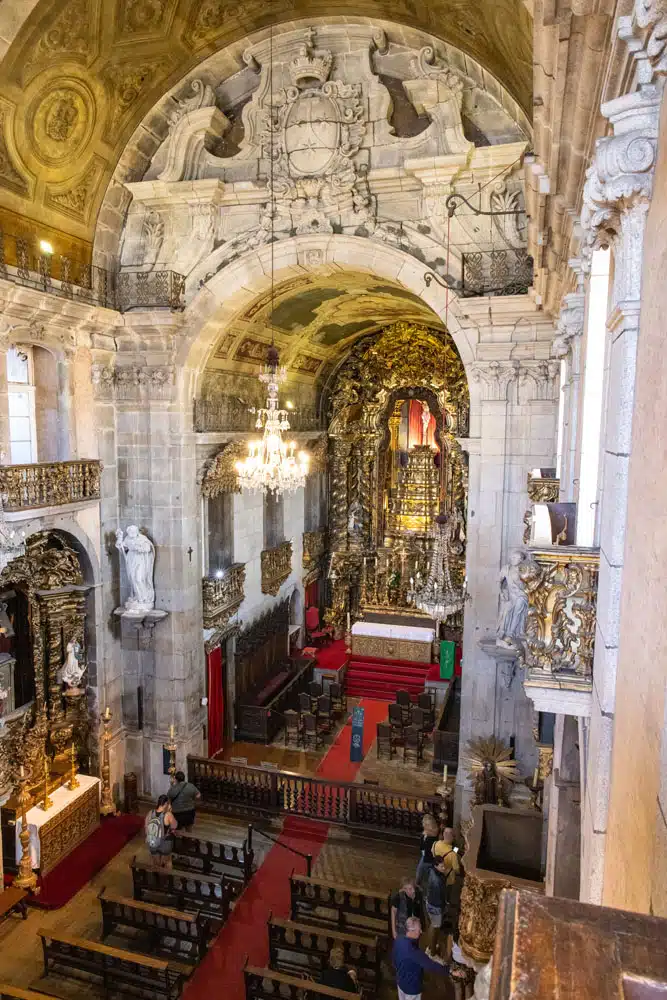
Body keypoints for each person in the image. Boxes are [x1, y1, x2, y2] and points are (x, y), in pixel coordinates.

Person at [392, 916, 449, 1000]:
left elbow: (394, 959)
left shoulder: (399, 939)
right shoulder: (413, 952)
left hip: (400, 982)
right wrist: (449, 971)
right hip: (412, 989)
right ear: (412, 930)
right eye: (419, 930)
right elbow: (431, 965)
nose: (421, 932)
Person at [424, 833, 462, 960]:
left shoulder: (436, 845)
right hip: (437, 903)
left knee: (434, 925)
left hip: (430, 900)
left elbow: (433, 851)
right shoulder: (452, 852)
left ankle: (432, 947)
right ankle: (431, 951)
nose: (444, 867)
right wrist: (445, 905)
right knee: (434, 926)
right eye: (442, 866)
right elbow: (457, 870)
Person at [145, 794, 177, 870]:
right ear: (166, 804)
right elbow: (174, 825)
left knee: (156, 863)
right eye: (168, 803)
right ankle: (165, 880)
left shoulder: (150, 813)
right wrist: (170, 811)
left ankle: (156, 878)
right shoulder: (168, 814)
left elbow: (146, 828)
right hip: (165, 843)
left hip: (152, 842)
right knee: (167, 862)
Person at [415, 814, 440, 892]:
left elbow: (448, 847)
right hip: (425, 857)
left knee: (431, 878)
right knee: (419, 872)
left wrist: (458, 850)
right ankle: (417, 886)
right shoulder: (424, 835)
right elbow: (421, 847)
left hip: (432, 860)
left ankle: (429, 891)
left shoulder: (437, 837)